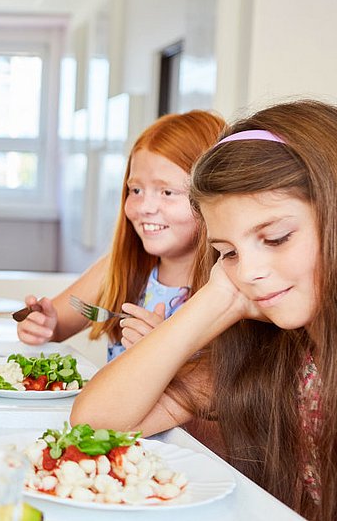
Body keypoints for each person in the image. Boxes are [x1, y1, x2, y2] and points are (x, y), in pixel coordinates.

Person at [71, 100, 337, 520]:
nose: (248, 271)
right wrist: (218, 298)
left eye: (276, 238)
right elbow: (95, 425)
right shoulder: (274, 352)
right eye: (227, 252)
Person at [17, 111, 224, 360]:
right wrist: (44, 326)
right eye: (136, 190)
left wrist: (163, 351)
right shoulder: (119, 268)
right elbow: (56, 325)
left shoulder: (226, 290)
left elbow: (223, 383)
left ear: (213, 196)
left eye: (167, 192)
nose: (145, 207)